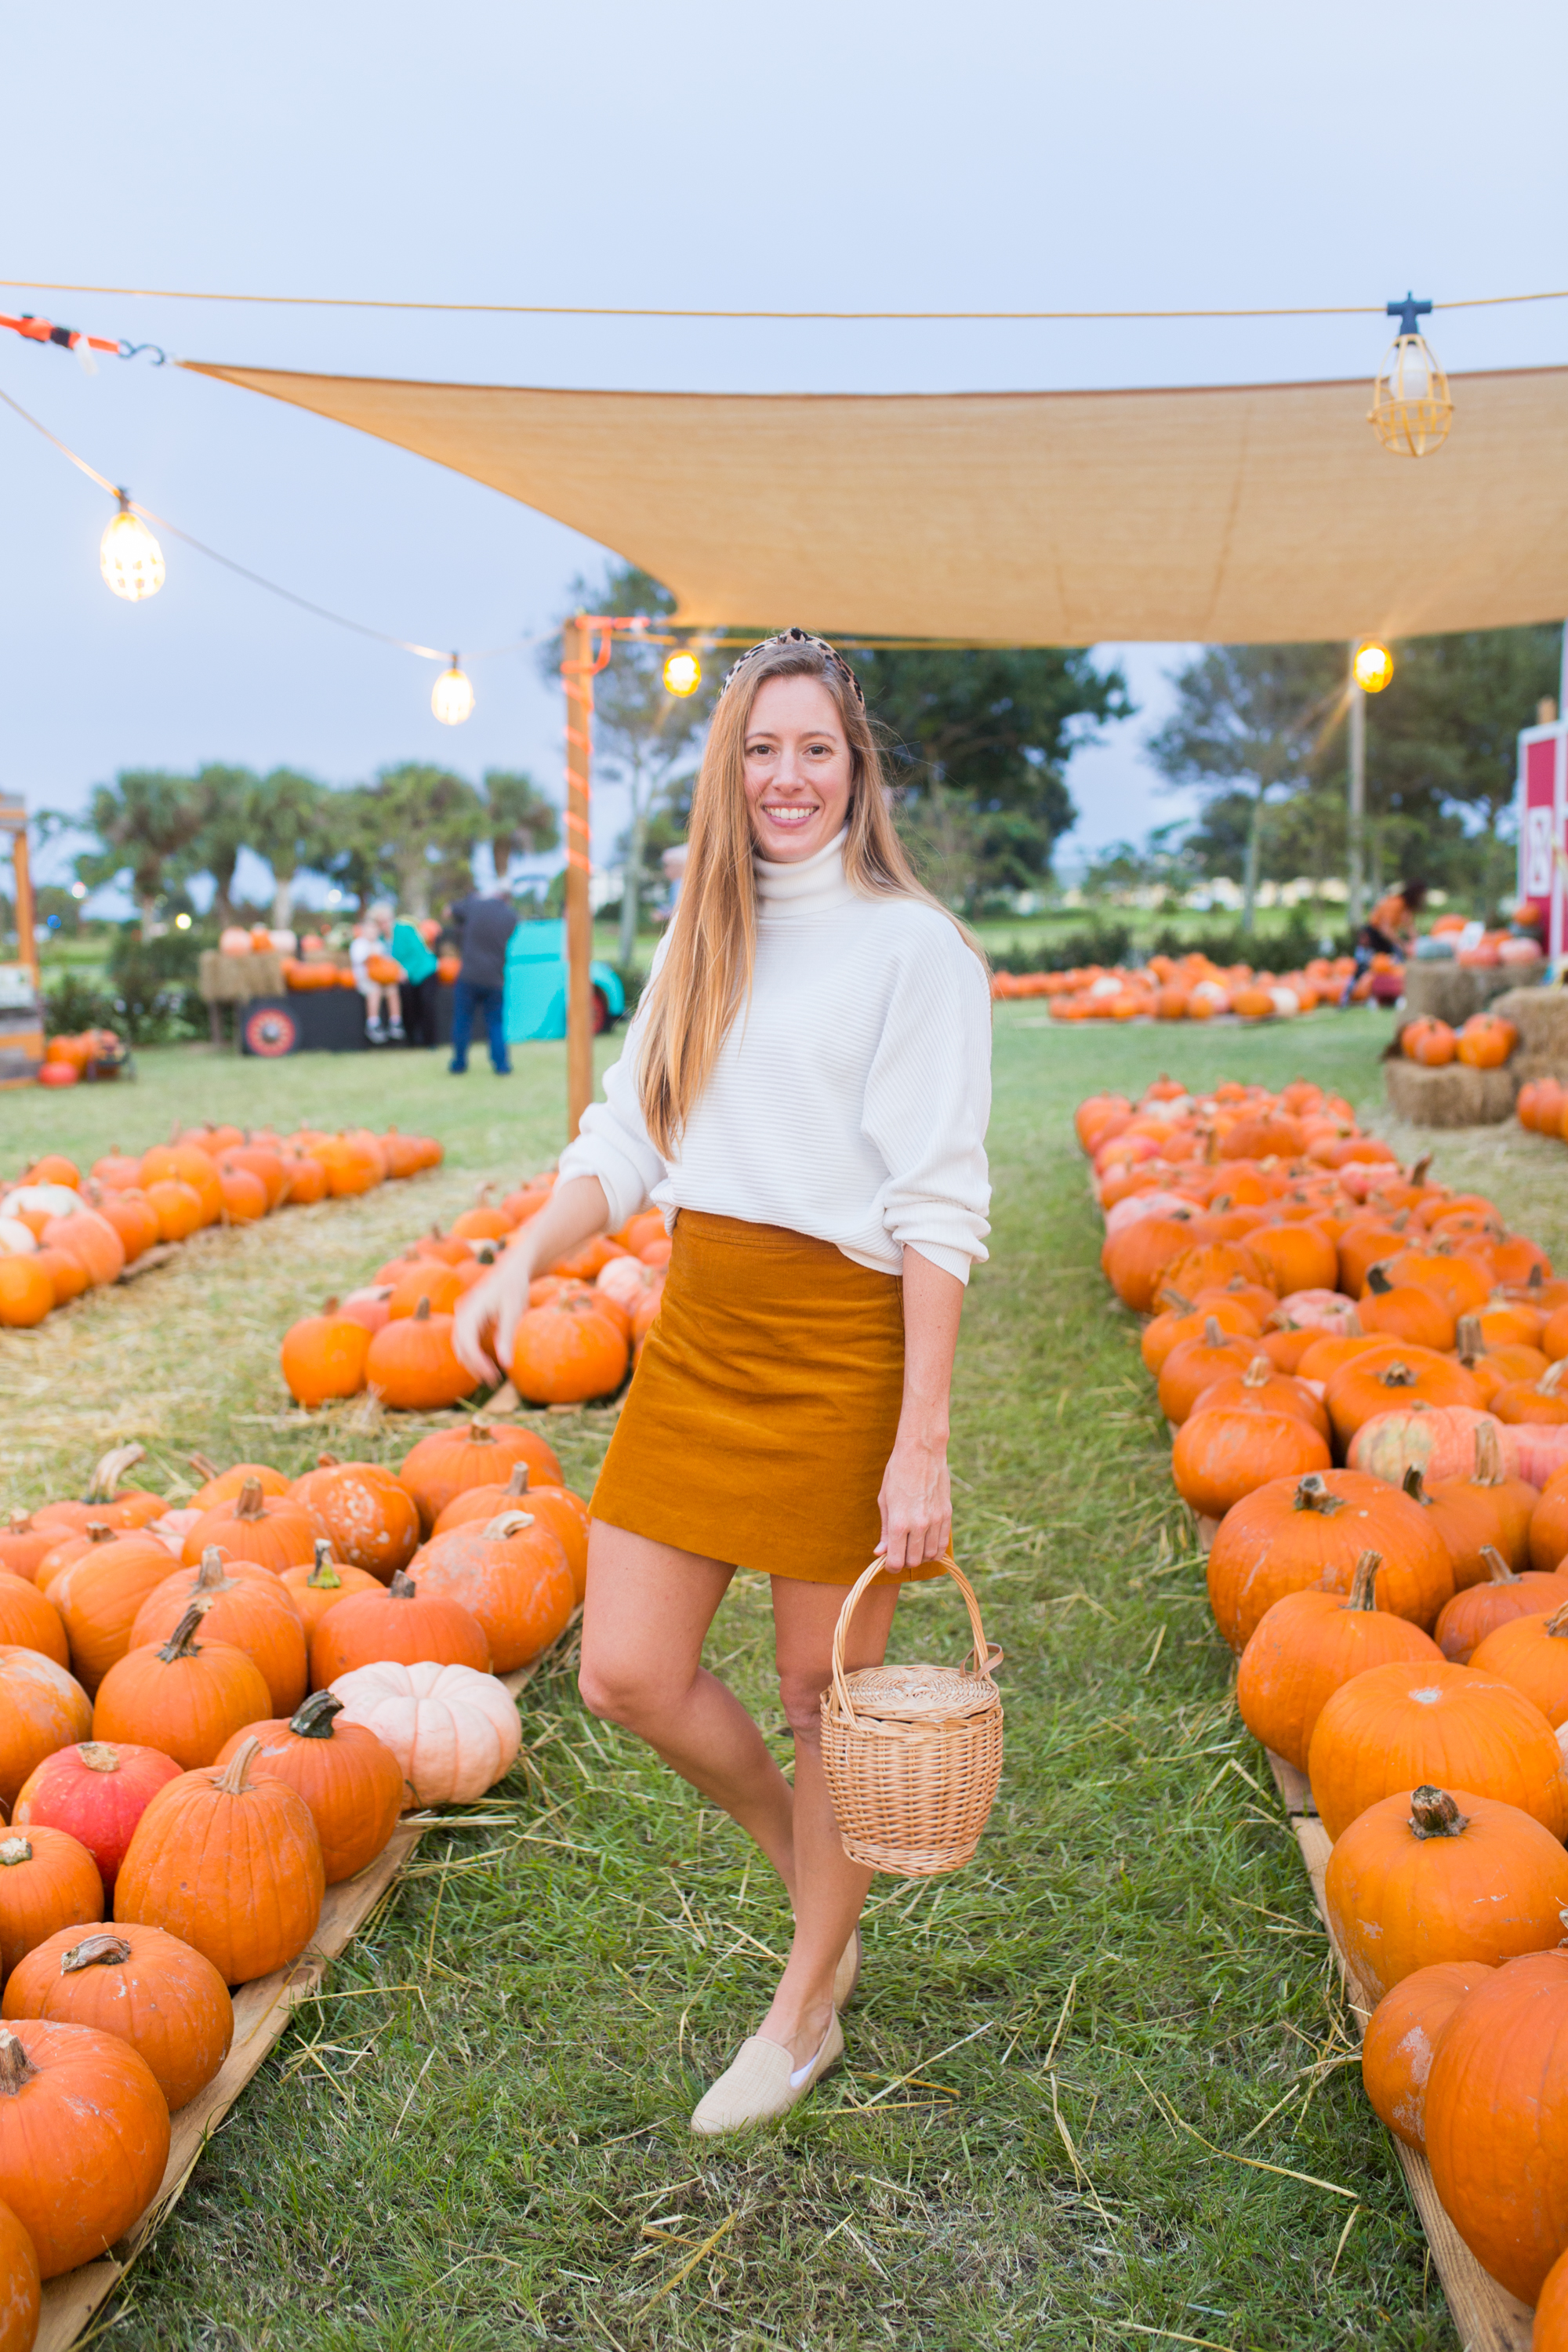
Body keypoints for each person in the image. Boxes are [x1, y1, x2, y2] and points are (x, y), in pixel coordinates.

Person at [455, 629, 992, 2134]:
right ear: (728, 768)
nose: (789, 776)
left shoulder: (914, 949)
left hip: (842, 1344)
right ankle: (816, 1875)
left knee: (824, 1701)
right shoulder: (709, 930)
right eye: (762, 748)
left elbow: (940, 1204)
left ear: (858, 768)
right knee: (625, 1668)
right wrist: (519, 1258)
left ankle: (807, 2002)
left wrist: (921, 1439)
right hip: (703, 1336)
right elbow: (626, 1138)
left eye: (817, 747)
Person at [447, 881, 516, 1074]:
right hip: (495, 977)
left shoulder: (476, 905)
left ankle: (459, 1064)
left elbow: (450, 911)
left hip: (469, 975)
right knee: (495, 1024)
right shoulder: (512, 916)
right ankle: (501, 1066)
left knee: (462, 1021)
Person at [1340, 879, 1426, 1004]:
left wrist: (1420, 944)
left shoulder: (1405, 908)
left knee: (1395, 966)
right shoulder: (1395, 903)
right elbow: (1385, 929)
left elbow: (1410, 929)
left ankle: (1394, 997)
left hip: (1384, 939)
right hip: (1372, 934)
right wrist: (1401, 944)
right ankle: (1345, 997)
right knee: (1362, 966)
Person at [348, 903, 403, 1044]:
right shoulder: (359, 944)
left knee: (392, 988)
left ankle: (395, 1022)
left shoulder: (380, 945)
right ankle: (373, 1024)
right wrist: (372, 955)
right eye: (369, 930)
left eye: (374, 930)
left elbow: (387, 963)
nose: (372, 933)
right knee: (375, 990)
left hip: (381, 978)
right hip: (365, 980)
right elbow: (361, 960)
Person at [390, 909, 440, 1047]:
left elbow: (417, 952)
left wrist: (405, 970)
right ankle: (412, 1041)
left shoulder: (402, 929)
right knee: (408, 1007)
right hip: (404, 976)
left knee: (426, 1003)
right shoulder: (378, 939)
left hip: (424, 971)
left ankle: (430, 1042)